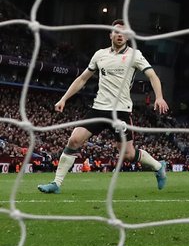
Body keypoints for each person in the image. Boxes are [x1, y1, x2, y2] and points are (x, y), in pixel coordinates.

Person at [38, 20, 170, 194]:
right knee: (74, 140)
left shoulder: (135, 55)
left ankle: (157, 166)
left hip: (120, 111)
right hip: (99, 108)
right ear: (110, 35)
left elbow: (153, 76)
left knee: (128, 155)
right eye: (116, 32)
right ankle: (56, 183)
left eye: (123, 32)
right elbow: (82, 79)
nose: (120, 35)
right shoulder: (100, 55)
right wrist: (64, 99)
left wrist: (159, 97)